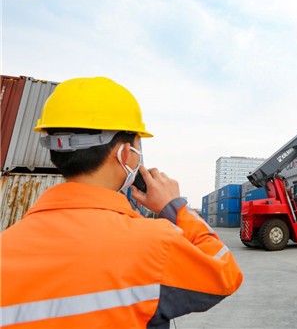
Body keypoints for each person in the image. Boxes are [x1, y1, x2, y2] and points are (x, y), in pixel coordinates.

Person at [0, 77, 243, 328]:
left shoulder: (7, 245)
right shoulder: (154, 243)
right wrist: (175, 207)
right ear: (125, 153)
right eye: (138, 146)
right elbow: (226, 273)